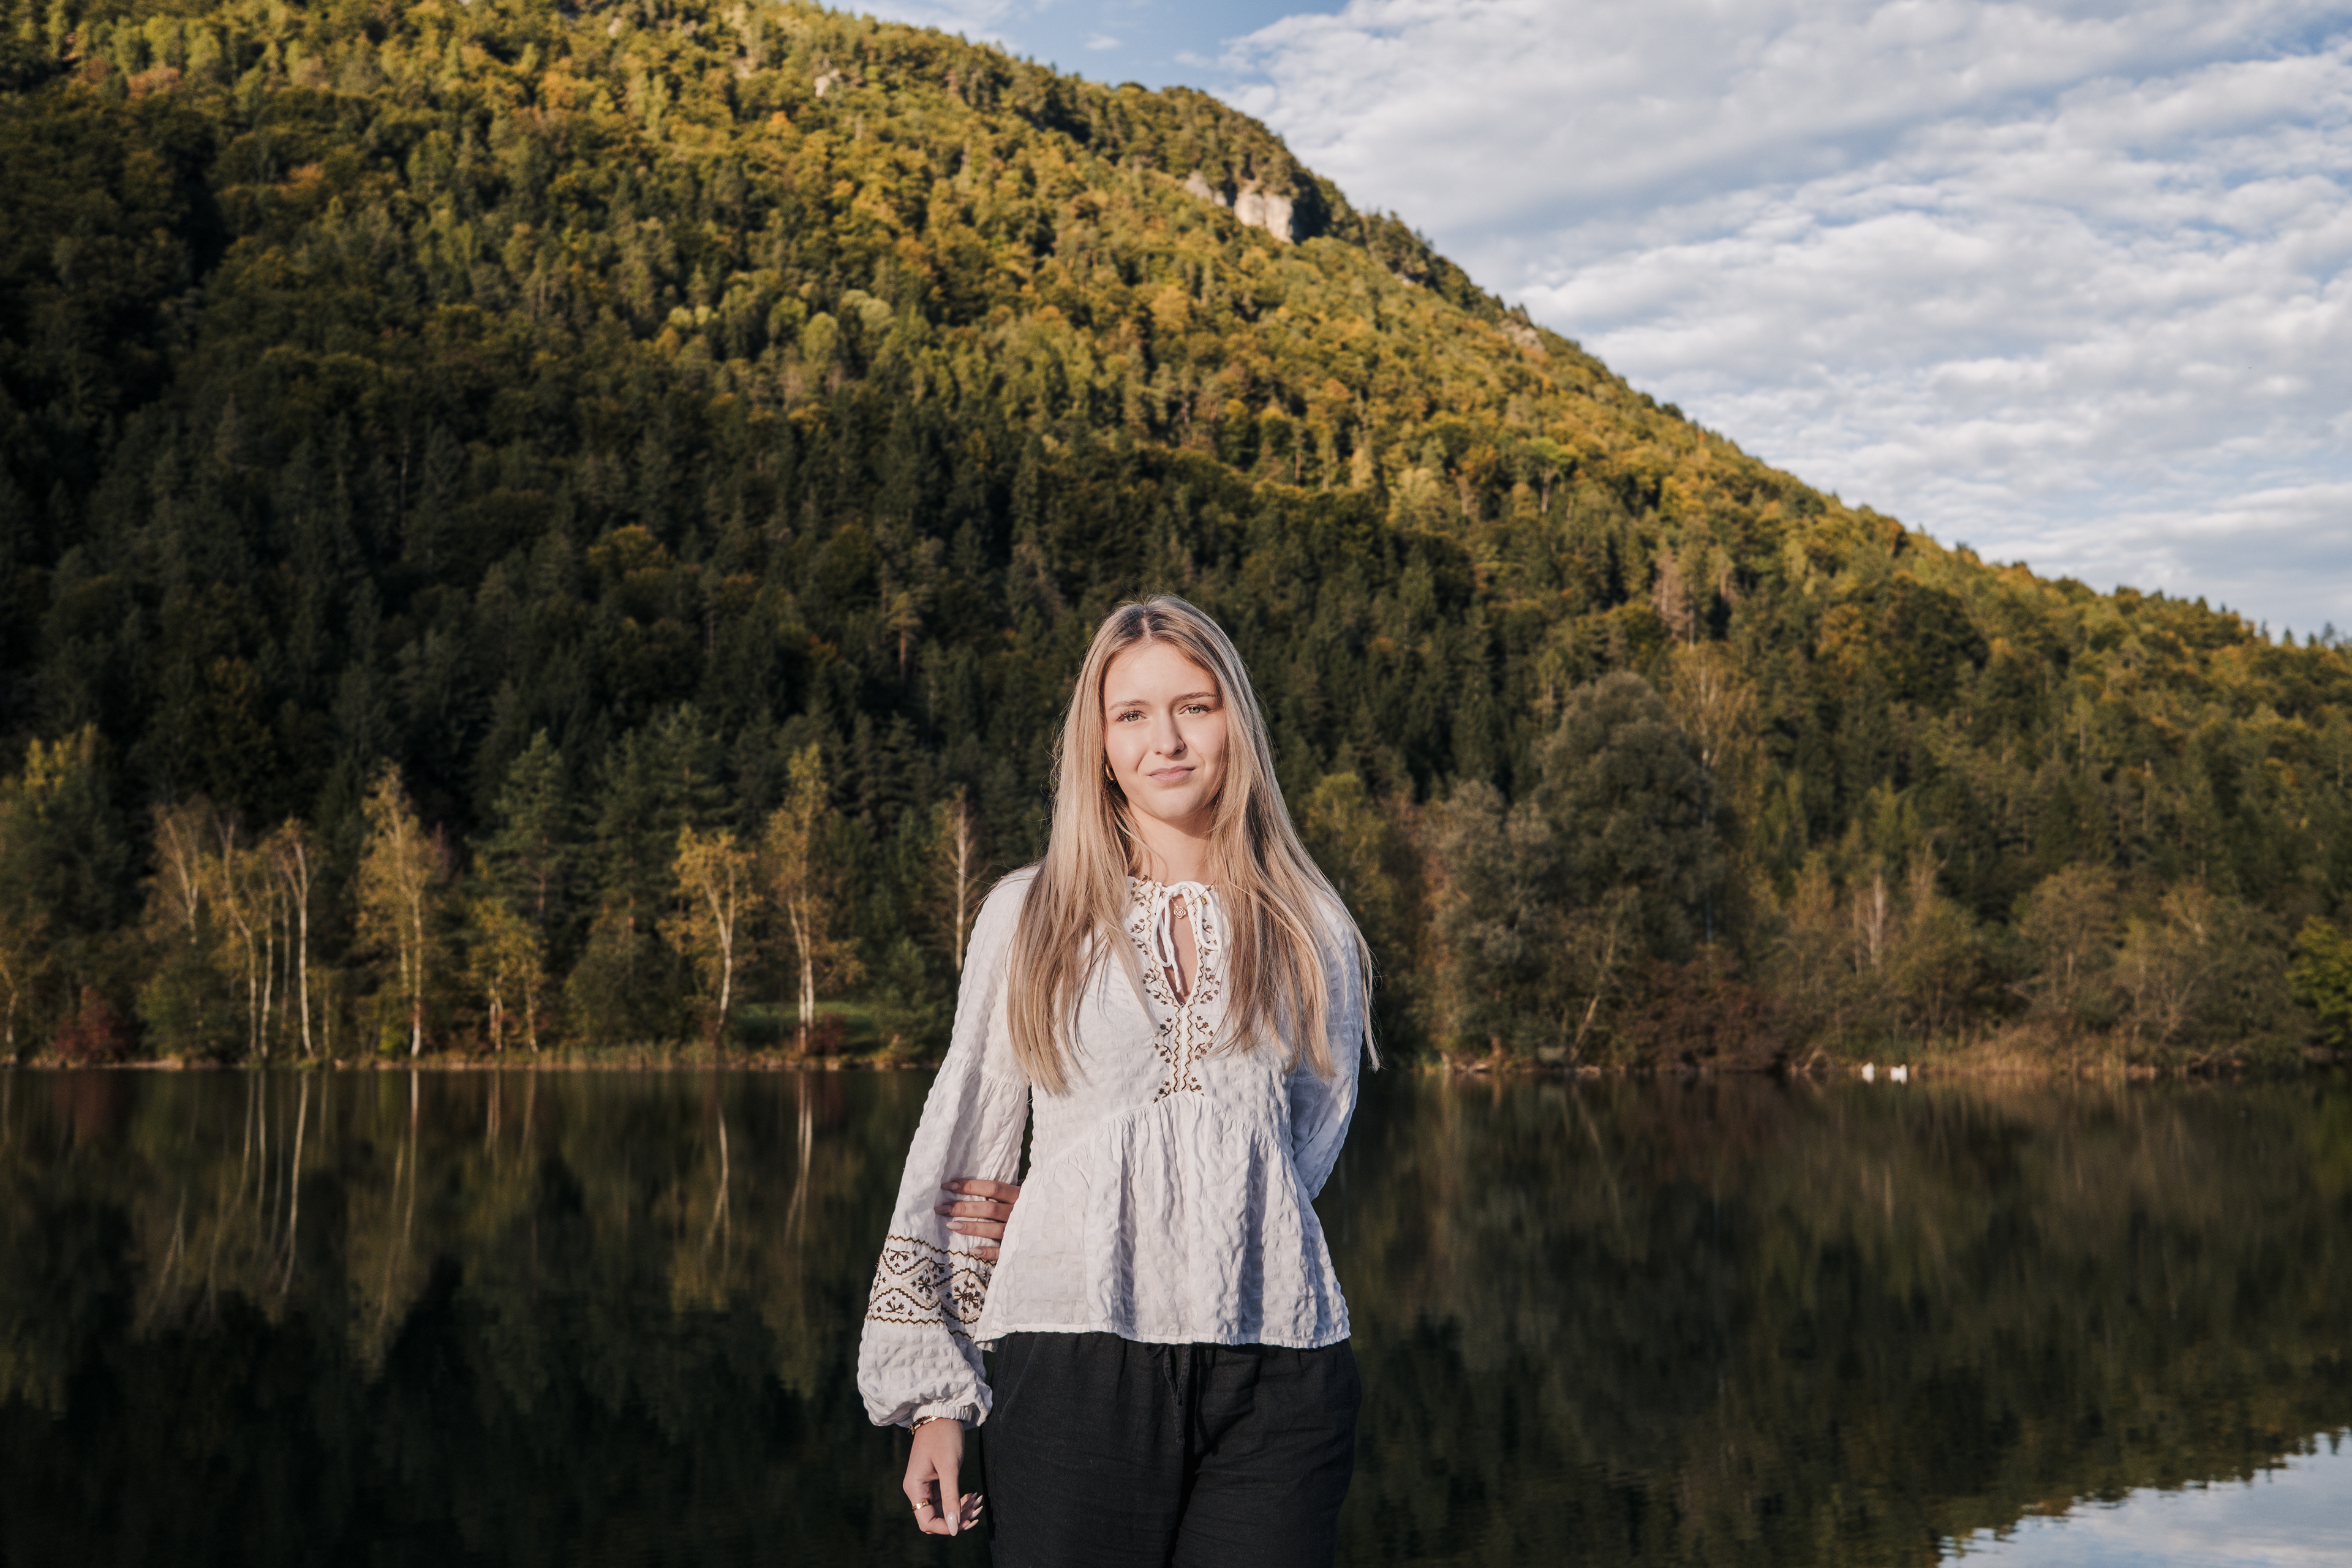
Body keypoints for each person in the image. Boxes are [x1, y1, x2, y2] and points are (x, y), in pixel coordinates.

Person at [856, 595, 1374, 1566]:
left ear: (1235, 723)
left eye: (1194, 707)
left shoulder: (1313, 925)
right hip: (1071, 1361)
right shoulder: (1031, 915)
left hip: (1282, 1366)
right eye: (1132, 714)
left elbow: (1305, 1141)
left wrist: (1165, 1206)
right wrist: (937, 1398)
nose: (1165, 741)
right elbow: (962, 1142)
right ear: (1097, 744)